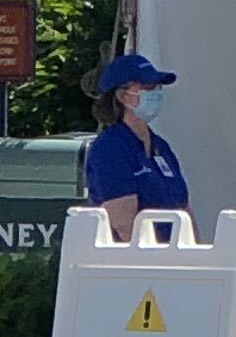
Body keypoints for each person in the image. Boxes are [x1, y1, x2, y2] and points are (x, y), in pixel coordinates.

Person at [81, 51, 189, 239]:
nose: (155, 93)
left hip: (173, 261)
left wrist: (194, 258)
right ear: (123, 96)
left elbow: (184, 211)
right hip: (135, 264)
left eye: (157, 87)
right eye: (147, 87)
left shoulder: (160, 147)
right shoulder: (110, 149)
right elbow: (124, 224)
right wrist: (160, 263)